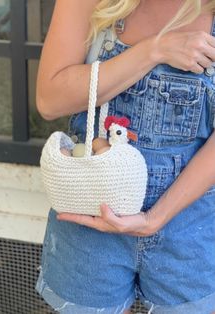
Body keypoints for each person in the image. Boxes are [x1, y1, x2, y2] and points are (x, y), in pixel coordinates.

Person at [35, 0, 215, 313]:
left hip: (190, 222)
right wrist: (153, 51)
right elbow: (49, 99)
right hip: (89, 214)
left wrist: (154, 218)